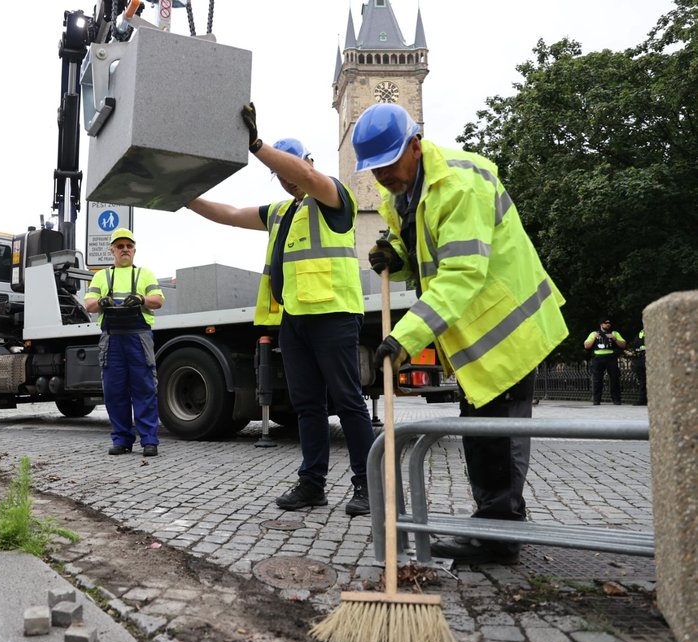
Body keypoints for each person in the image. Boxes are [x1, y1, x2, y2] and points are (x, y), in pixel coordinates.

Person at [354, 103, 568, 563]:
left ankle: (499, 536)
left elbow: (461, 274)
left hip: (506, 328)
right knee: (482, 434)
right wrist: (398, 256)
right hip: (477, 335)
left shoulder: (458, 183)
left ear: (414, 145)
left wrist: (404, 339)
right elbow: (424, 248)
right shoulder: (403, 194)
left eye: (388, 164)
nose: (382, 176)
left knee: (498, 435)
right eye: (374, 169)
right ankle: (494, 526)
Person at [187, 103, 375, 517]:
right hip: (295, 321)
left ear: (307, 162)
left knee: (347, 402)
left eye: (292, 170)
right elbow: (232, 215)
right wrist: (186, 198)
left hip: (335, 316)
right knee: (307, 405)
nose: (289, 180)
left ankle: (366, 485)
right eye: (281, 176)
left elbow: (306, 177)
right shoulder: (280, 212)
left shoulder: (332, 196)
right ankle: (312, 485)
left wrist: (255, 144)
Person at [84, 228, 165, 457]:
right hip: (112, 339)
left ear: (134, 249)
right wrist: (102, 301)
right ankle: (121, 440)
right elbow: (88, 305)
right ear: (113, 250)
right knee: (114, 391)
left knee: (145, 389)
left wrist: (140, 299)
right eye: (120, 246)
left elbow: (157, 301)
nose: (125, 250)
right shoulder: (101, 276)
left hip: (138, 336)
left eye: (129, 246)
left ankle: (149, 441)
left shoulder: (144, 274)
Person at [584, 317, 626, 405]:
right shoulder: (594, 333)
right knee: (597, 379)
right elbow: (586, 346)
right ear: (601, 324)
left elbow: (623, 345)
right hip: (598, 358)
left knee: (614, 379)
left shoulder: (614, 333)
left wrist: (614, 338)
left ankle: (616, 400)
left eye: (609, 323)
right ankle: (596, 400)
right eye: (606, 323)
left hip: (611, 358)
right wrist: (594, 338)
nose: (608, 324)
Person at [631, 328, 646, 405]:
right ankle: (642, 399)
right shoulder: (641, 332)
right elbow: (635, 343)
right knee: (642, 380)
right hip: (641, 357)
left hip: (648, 356)